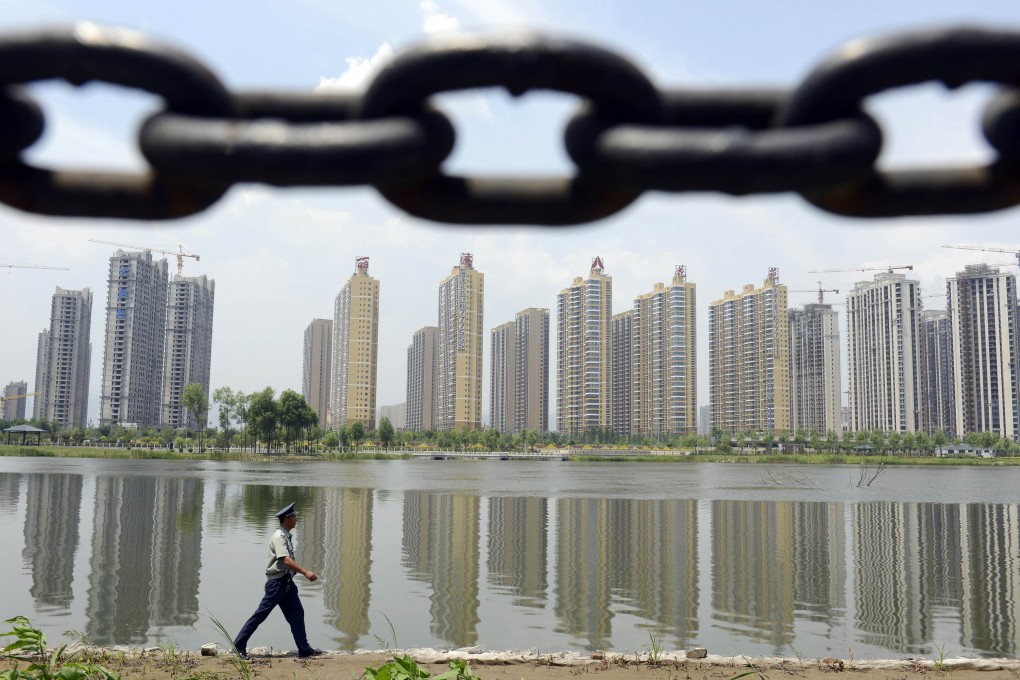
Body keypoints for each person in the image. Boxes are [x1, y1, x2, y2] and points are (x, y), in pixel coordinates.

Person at [232, 502, 324, 660]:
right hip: (278, 585)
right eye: (294, 516)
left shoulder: (286, 536)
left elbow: (279, 562)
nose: (296, 519)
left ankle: (304, 649)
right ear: (287, 518)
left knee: (297, 614)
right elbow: (285, 560)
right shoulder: (279, 536)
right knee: (260, 615)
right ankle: (239, 646)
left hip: (286, 583)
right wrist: (305, 572)